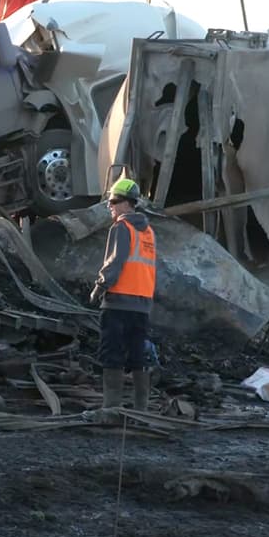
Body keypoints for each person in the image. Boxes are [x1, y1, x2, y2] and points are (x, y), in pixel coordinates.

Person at [89, 178, 157, 418]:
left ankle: (111, 409)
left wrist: (99, 288)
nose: (110, 207)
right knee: (139, 357)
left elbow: (114, 264)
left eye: (113, 202)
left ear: (126, 204)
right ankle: (142, 412)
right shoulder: (148, 231)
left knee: (112, 355)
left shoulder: (121, 228)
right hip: (142, 306)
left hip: (117, 302)